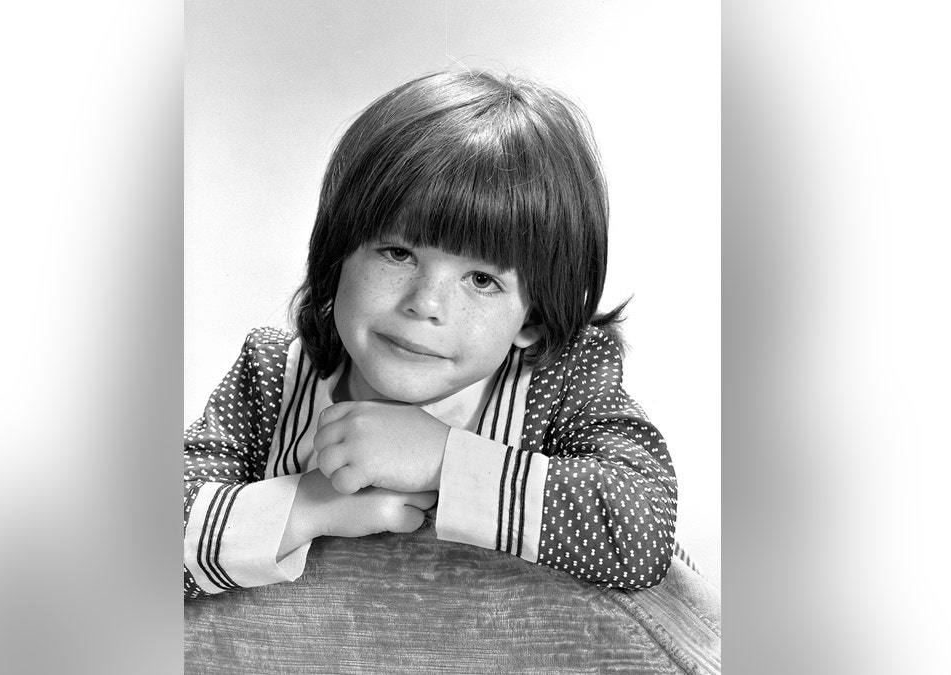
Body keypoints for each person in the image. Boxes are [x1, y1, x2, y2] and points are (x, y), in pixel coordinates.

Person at [184, 70, 677, 599]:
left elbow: (643, 530)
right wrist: (307, 504)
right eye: (399, 253)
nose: (425, 303)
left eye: (482, 279)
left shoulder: (558, 385)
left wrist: (446, 460)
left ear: (532, 318)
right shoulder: (271, 373)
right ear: (338, 256)